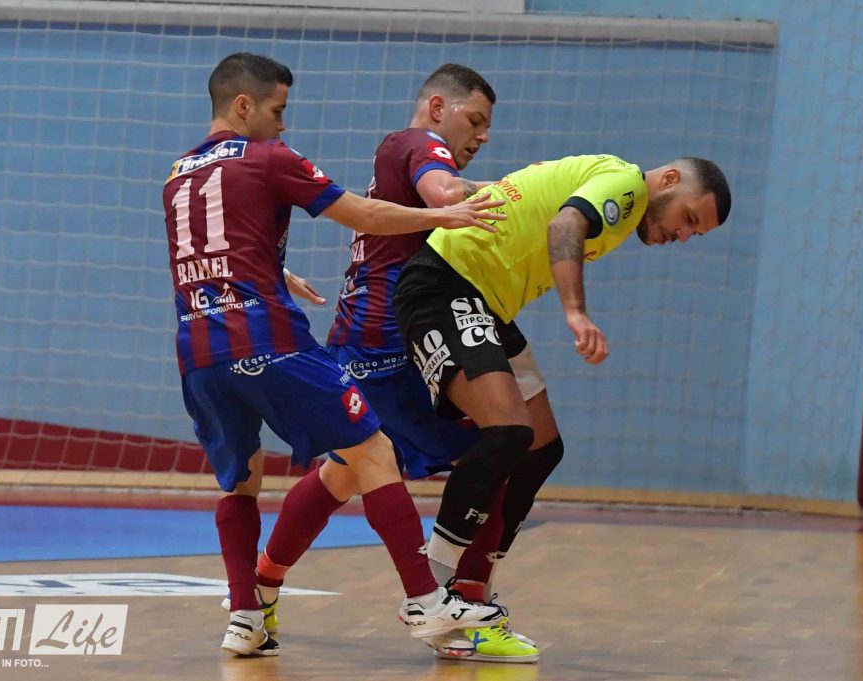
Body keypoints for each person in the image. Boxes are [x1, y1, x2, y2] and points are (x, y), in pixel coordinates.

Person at [161, 52, 509, 657]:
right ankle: (425, 600)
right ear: (243, 105)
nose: (282, 124)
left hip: (198, 350)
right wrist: (444, 214)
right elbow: (363, 213)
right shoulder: (268, 156)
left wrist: (275, 272)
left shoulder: (176, 174)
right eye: (277, 110)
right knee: (374, 451)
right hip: (270, 341)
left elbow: (209, 251)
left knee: (242, 481)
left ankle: (245, 616)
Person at [248, 64, 543, 663]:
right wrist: (534, 193)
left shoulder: (402, 153)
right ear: (437, 108)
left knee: (344, 473)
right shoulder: (419, 144)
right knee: (502, 446)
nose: (482, 134)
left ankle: (261, 589)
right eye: (474, 119)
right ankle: (458, 607)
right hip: (387, 350)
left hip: (370, 343)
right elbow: (445, 194)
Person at [390, 154, 731, 658]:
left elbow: (537, 199)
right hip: (446, 286)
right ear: (670, 180)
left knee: (541, 449)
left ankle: (471, 596)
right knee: (508, 431)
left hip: (486, 305)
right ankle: (428, 593)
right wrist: (576, 312)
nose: (682, 236)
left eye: (693, 234)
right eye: (689, 219)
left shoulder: (611, 190)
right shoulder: (626, 185)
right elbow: (564, 224)